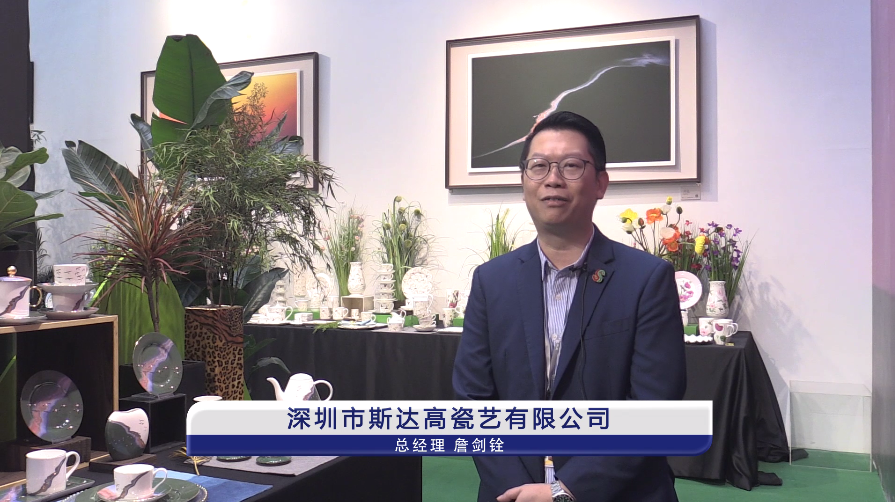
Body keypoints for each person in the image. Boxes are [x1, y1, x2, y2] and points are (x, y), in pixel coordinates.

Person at [452, 111, 687, 502]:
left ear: (601, 184)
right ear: (524, 182)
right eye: (538, 166)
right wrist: (517, 489)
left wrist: (565, 491)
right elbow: (473, 399)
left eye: (572, 166)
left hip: (618, 492)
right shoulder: (492, 280)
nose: (553, 179)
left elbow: (653, 406)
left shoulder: (646, 279)